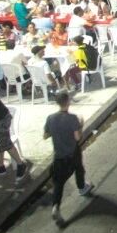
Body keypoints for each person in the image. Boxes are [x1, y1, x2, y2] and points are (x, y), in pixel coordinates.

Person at [44, 92, 94, 222]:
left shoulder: (50, 118)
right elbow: (78, 138)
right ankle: (82, 187)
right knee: (79, 169)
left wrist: (56, 132)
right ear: (68, 102)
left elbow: (45, 135)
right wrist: (81, 125)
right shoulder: (72, 118)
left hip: (58, 156)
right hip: (72, 153)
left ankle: (56, 207)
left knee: (58, 184)